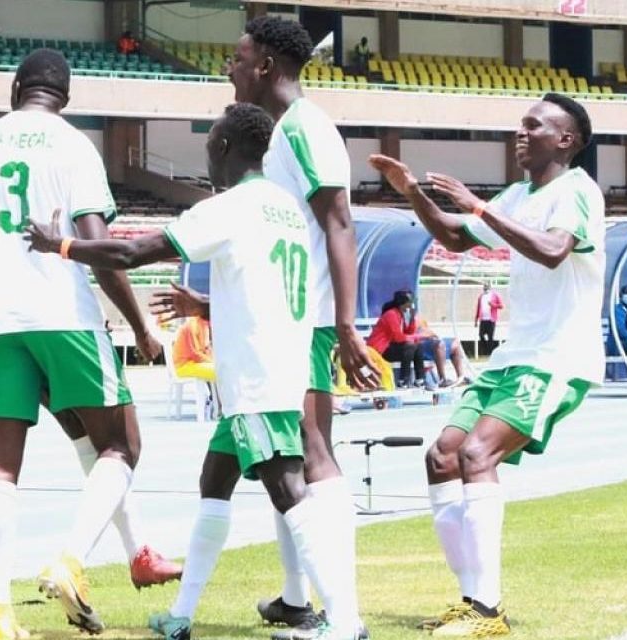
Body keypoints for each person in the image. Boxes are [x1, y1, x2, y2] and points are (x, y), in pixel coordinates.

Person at [26, 101, 367, 640]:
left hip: (257, 380)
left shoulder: (230, 207)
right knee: (214, 479)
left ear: (224, 147)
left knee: (288, 491)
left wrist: (61, 245)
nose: (207, 155)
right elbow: (263, 288)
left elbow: (134, 252)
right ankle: (181, 616)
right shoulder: (285, 208)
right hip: (273, 368)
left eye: (209, 144)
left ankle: (344, 623)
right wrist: (205, 306)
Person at [0, 49, 177, 639]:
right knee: (121, 444)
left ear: (16, 87)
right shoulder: (74, 145)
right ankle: (71, 561)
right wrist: (140, 325)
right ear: (65, 97)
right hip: (61, 313)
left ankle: (0, 614)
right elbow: (99, 248)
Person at [370, 92, 605, 636]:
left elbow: (552, 250)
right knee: (442, 457)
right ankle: (471, 599)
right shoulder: (518, 195)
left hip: (556, 358)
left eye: (534, 126)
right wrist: (412, 192)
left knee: (477, 454)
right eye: (521, 124)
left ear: (565, 140)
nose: (521, 133)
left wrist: (478, 206)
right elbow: (455, 237)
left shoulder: (577, 190)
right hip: (512, 358)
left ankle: (487, 609)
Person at [226, 18, 378, 638]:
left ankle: (345, 617)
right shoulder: (280, 132)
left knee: (314, 456)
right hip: (283, 321)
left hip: (308, 321)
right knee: (285, 461)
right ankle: (299, 600)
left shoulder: (305, 128)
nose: (229, 70)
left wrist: (344, 324)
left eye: (238, 59)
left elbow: (339, 222)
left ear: (265, 65)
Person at [367, 290, 426, 388]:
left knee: (417, 346)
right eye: (410, 301)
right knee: (410, 346)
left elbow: (408, 334)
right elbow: (398, 337)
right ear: (403, 303)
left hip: (390, 347)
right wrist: (420, 336)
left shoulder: (400, 314)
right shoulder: (391, 314)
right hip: (380, 350)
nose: (412, 304)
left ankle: (420, 380)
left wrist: (412, 318)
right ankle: (403, 380)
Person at [414, 310, 467, 386]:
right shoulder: (405, 318)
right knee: (439, 344)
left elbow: (428, 330)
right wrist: (426, 335)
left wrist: (432, 335)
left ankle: (461, 378)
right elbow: (409, 335)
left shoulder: (418, 317)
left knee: (455, 343)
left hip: (429, 341)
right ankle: (442, 379)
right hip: (418, 345)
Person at [172, 316, 215, 382]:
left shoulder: (204, 324)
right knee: (217, 372)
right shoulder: (193, 325)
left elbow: (206, 348)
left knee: (221, 369)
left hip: (196, 362)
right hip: (184, 365)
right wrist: (211, 361)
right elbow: (195, 353)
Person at [474, 282, 504, 356]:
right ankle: (486, 349)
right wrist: (476, 320)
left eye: (487, 287)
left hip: (491, 320)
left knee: (490, 337)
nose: (485, 288)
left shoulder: (495, 295)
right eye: (484, 287)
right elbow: (478, 308)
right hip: (483, 319)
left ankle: (490, 353)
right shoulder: (481, 296)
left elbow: (501, 306)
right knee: (481, 335)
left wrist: (492, 305)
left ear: (490, 288)